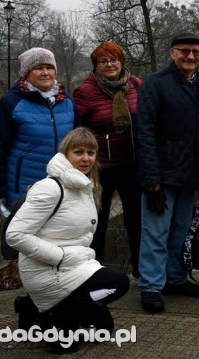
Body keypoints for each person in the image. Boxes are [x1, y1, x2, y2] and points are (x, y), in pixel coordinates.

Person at [5, 127, 130, 355]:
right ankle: (49, 313)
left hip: (75, 265)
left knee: (103, 328)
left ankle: (36, 307)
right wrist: (59, 257)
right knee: (64, 347)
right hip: (47, 268)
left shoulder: (84, 186)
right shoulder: (50, 188)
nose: (86, 158)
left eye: (91, 153)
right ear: (65, 154)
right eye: (78, 152)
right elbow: (15, 235)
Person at [135, 32, 199, 313]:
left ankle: (176, 278)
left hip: (189, 176)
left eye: (196, 52)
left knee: (180, 233)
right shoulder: (156, 84)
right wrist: (151, 178)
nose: (190, 56)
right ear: (172, 53)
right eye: (185, 51)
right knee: (156, 232)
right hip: (163, 175)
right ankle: (151, 286)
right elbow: (144, 132)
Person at [72, 41, 142, 277]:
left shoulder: (135, 85)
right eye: (104, 61)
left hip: (130, 164)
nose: (110, 64)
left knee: (136, 218)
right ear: (95, 66)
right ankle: (94, 270)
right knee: (97, 221)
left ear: (122, 62)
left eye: (114, 59)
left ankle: (140, 268)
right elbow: (77, 131)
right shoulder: (85, 92)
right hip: (99, 167)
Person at [0, 48, 74, 212]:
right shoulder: (10, 103)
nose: (45, 73)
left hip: (62, 188)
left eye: (50, 67)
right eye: (39, 68)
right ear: (26, 73)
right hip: (24, 189)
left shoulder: (67, 102)